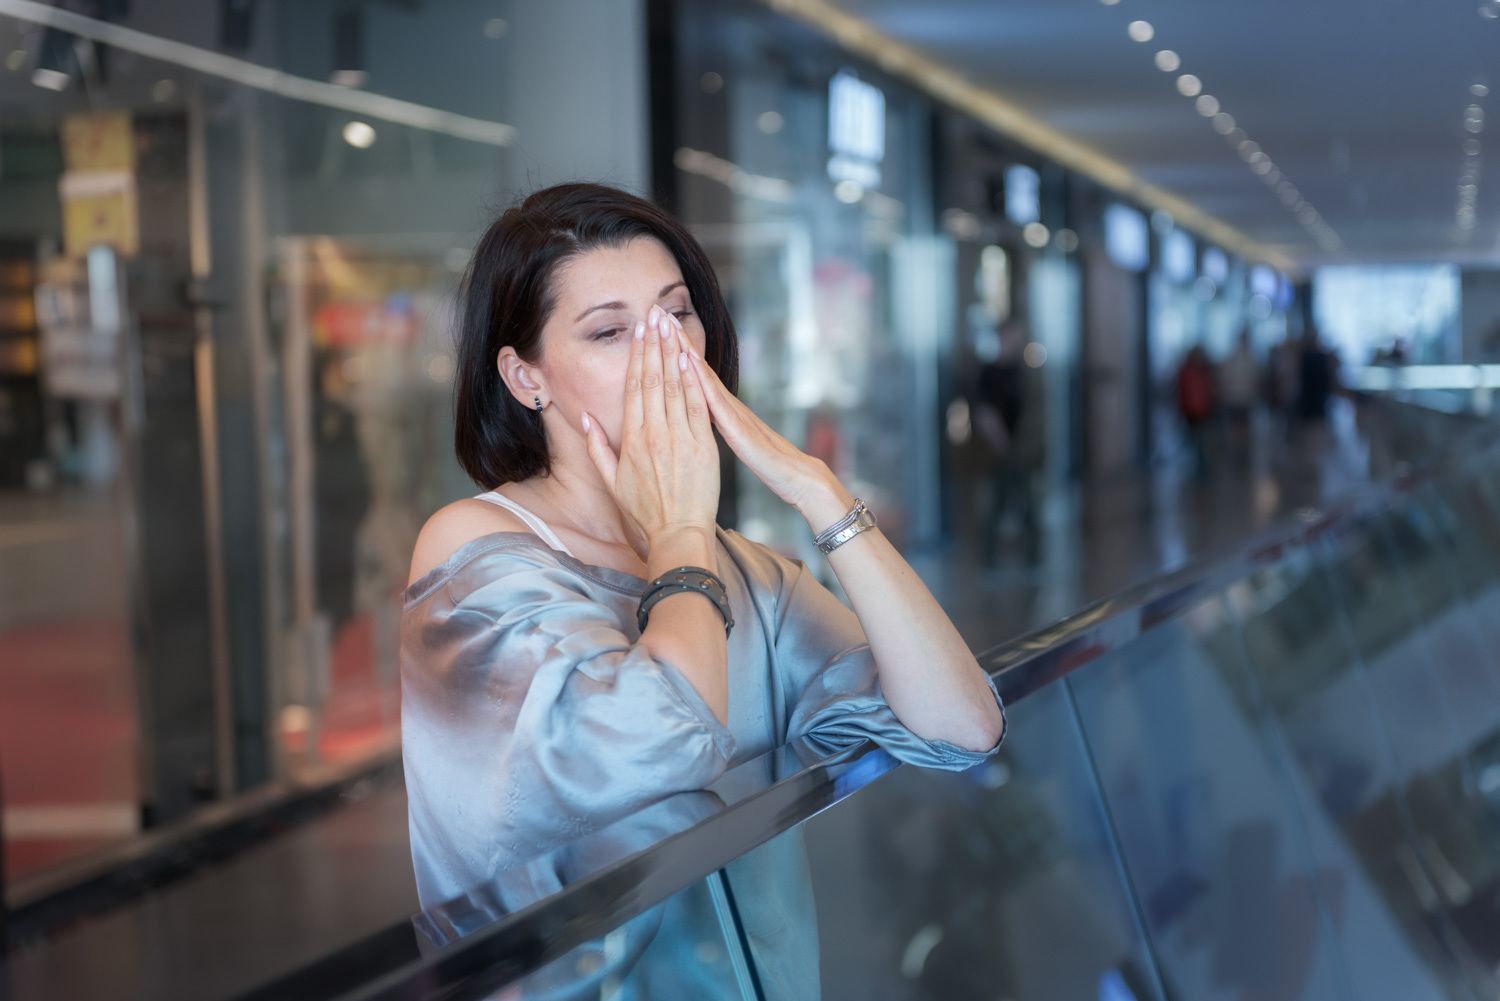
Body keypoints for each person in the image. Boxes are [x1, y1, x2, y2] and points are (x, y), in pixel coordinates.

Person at [400, 184, 1006, 917]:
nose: (666, 349)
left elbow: (962, 727)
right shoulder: (472, 548)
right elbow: (661, 747)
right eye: (608, 331)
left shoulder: (751, 573)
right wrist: (682, 528)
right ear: (526, 377)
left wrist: (817, 491)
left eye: (677, 312)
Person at [1175, 344, 1216, 477]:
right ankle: (1199, 466)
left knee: (1201, 440)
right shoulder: (1187, 371)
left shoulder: (1204, 371)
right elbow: (1181, 392)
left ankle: (1201, 466)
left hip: (1202, 410)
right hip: (1192, 411)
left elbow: (1209, 391)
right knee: (1196, 440)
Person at [1218, 329, 1259, 461]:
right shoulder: (1232, 359)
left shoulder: (1252, 359)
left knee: (1244, 427)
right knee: (1235, 428)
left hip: (1246, 398)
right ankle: (1236, 452)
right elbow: (1225, 379)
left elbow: (1256, 380)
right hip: (1234, 399)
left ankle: (1243, 452)